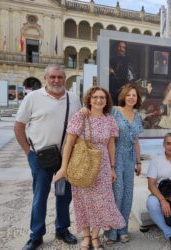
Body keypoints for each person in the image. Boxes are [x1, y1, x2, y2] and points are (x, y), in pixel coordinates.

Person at [14, 64, 81, 250]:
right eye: (53, 77)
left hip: (66, 158)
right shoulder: (33, 98)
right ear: (46, 78)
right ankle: (36, 235)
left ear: (65, 79)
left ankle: (62, 229)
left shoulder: (74, 99)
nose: (56, 81)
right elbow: (19, 126)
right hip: (41, 158)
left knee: (64, 196)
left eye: (60, 77)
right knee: (40, 197)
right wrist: (29, 153)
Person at [54, 87, 126, 250]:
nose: (99, 100)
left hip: (103, 167)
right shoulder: (81, 116)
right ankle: (86, 236)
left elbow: (111, 145)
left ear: (107, 101)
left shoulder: (110, 120)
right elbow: (69, 144)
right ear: (89, 99)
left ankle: (95, 237)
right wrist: (63, 168)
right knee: (83, 202)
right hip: (82, 166)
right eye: (95, 97)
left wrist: (113, 168)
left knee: (102, 202)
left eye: (102, 97)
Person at [103, 84, 144, 244]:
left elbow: (136, 142)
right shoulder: (114, 111)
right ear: (123, 96)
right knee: (116, 193)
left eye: (134, 95)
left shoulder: (137, 116)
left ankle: (123, 229)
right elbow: (110, 139)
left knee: (128, 194)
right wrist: (111, 165)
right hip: (116, 156)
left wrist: (139, 162)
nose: (131, 98)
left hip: (130, 157)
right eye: (129, 95)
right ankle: (111, 231)